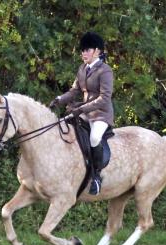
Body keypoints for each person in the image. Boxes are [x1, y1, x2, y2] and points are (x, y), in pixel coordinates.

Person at [49, 32, 114, 195]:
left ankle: (97, 176)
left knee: (94, 138)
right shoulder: (82, 69)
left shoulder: (105, 70)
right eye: (82, 50)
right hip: (84, 111)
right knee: (65, 130)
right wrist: (59, 99)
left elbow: (105, 98)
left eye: (87, 50)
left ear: (97, 51)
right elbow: (74, 91)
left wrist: (82, 109)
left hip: (101, 114)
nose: (83, 53)